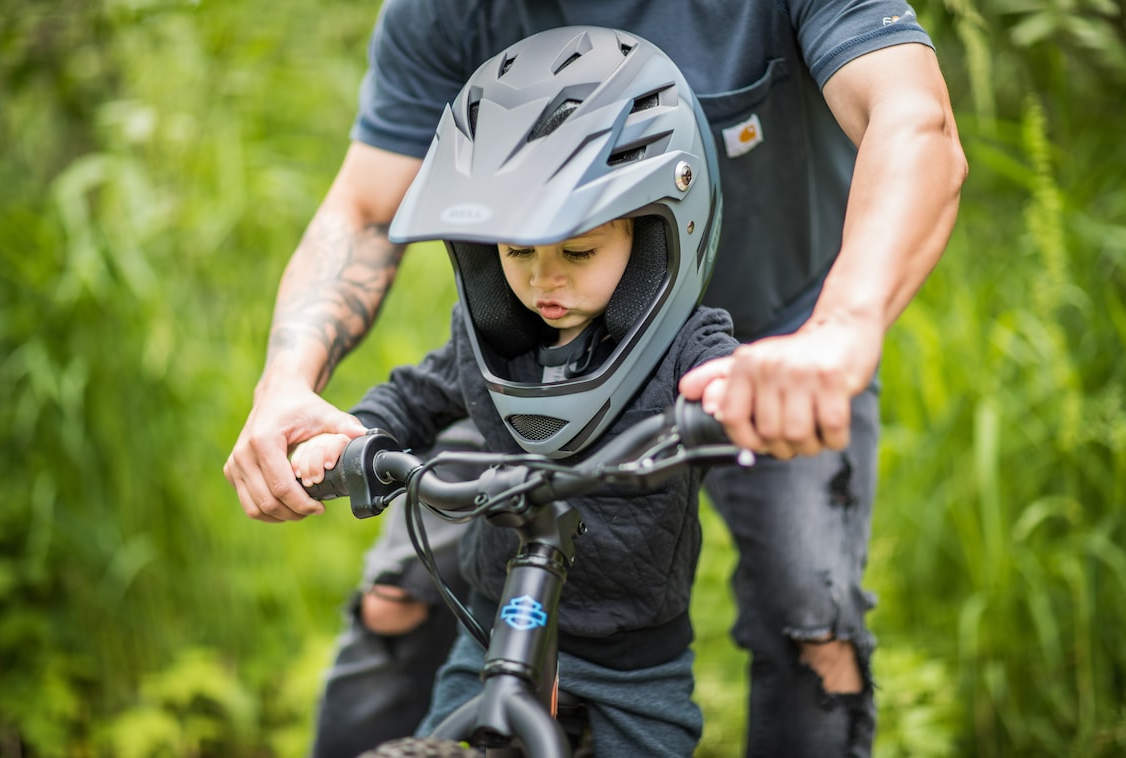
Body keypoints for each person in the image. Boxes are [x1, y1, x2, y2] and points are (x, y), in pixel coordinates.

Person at [222, 1, 968, 756]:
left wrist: (837, 335)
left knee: (814, 624)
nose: (544, 271)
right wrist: (291, 386)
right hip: (530, 362)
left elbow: (914, 123)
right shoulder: (445, 16)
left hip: (780, 347)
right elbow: (367, 207)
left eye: (574, 252)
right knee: (395, 597)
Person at [292, 28, 739, 755]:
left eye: (579, 251)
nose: (543, 281)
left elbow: (726, 379)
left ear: (653, 233)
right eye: (516, 253)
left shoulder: (687, 343)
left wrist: (733, 397)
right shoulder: (492, 339)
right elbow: (415, 394)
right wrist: (348, 433)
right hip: (489, 628)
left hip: (632, 663)